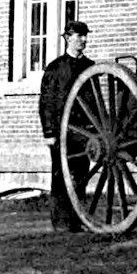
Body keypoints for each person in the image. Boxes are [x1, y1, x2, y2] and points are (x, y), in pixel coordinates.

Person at [37, 19, 95, 233]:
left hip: (83, 130)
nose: (83, 40)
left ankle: (77, 219)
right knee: (61, 175)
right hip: (61, 131)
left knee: (81, 174)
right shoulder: (55, 68)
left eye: (85, 35)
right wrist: (49, 132)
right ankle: (61, 222)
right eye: (79, 36)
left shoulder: (90, 67)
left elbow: (95, 100)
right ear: (67, 38)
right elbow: (46, 102)